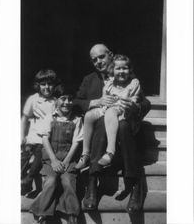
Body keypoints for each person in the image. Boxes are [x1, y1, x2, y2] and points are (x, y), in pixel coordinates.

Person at [73, 44, 151, 212]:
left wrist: (134, 106)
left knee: (122, 125)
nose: (98, 62)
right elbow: (76, 103)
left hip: (125, 133)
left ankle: (135, 185)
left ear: (110, 55)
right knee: (100, 123)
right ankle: (92, 184)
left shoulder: (126, 74)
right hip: (98, 137)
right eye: (94, 60)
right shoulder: (90, 79)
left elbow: (146, 103)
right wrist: (94, 102)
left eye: (101, 57)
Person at [75, 54, 142, 169]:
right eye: (118, 68)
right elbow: (105, 99)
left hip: (123, 110)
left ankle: (110, 151)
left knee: (111, 112)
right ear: (112, 70)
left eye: (125, 68)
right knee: (89, 115)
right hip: (108, 108)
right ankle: (85, 153)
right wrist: (102, 101)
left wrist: (131, 103)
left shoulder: (133, 83)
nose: (121, 71)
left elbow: (135, 100)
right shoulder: (110, 83)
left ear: (130, 70)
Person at [30, 88, 83, 224]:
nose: (67, 102)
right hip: (50, 158)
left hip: (69, 159)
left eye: (70, 99)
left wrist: (66, 161)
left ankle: (72, 214)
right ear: (56, 100)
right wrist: (53, 160)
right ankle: (43, 213)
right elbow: (45, 139)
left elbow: (76, 143)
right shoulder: (49, 117)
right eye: (63, 99)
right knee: (51, 181)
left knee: (68, 182)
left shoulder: (77, 120)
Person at [21, 69, 58, 194]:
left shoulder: (56, 101)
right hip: (34, 135)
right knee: (27, 154)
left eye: (50, 84)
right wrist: (21, 136)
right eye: (43, 84)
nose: (46, 87)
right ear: (38, 85)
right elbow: (25, 118)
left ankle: (28, 179)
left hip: (47, 138)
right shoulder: (34, 99)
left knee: (40, 154)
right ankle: (23, 179)